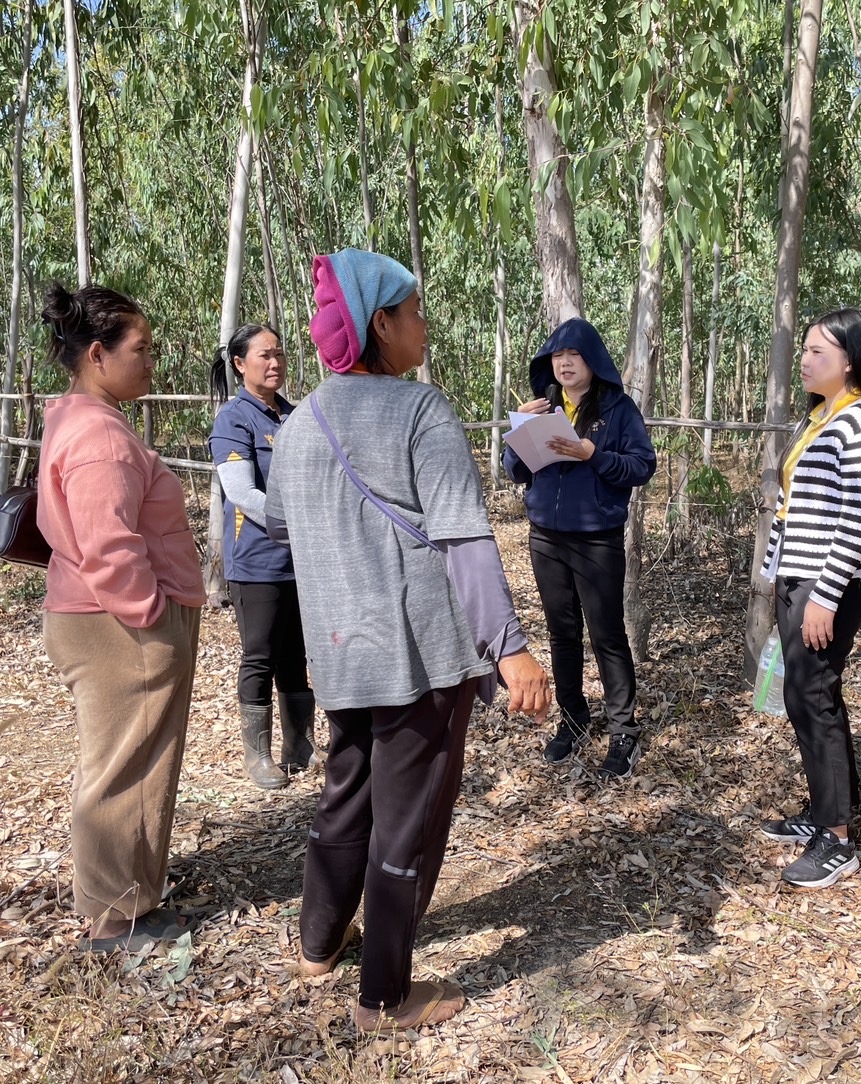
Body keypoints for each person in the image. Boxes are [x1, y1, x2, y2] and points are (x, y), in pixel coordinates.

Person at [264, 249, 549, 1033]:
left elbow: (281, 528)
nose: (425, 325)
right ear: (378, 324)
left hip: (340, 648)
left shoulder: (297, 425)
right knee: (409, 822)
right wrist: (510, 646)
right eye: (414, 311)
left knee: (344, 792)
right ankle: (384, 997)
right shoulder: (422, 412)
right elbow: (462, 538)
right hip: (420, 652)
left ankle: (318, 946)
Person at [36, 283, 207, 952]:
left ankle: (132, 895)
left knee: (131, 762)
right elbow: (110, 547)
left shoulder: (80, 421)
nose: (152, 362)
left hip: (106, 619)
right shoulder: (99, 440)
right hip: (119, 626)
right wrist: (152, 621)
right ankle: (114, 919)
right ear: (98, 354)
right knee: (121, 769)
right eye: (142, 350)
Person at [755, 308, 861, 888]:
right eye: (806, 350)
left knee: (812, 694)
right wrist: (778, 576)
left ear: (851, 360)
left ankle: (837, 839)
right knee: (804, 691)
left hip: (831, 580)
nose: (806, 360)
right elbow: (797, 509)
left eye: (819, 351)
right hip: (803, 576)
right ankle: (825, 810)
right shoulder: (819, 416)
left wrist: (826, 594)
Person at [503, 319, 656, 779]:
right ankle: (573, 720)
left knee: (606, 634)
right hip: (546, 537)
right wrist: (524, 429)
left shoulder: (618, 409)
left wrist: (594, 455)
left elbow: (642, 466)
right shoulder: (545, 407)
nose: (565, 363)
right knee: (561, 633)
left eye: (574, 354)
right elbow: (515, 470)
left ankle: (623, 731)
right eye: (556, 356)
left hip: (596, 539)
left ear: (593, 360)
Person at [209, 324, 314, 789]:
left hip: (302, 559)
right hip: (257, 559)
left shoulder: (295, 415)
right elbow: (241, 493)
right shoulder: (234, 419)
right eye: (264, 356)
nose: (275, 364)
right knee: (261, 654)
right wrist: (293, 525)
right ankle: (257, 755)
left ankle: (300, 745)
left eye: (280, 355)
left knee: (297, 654)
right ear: (239, 364)